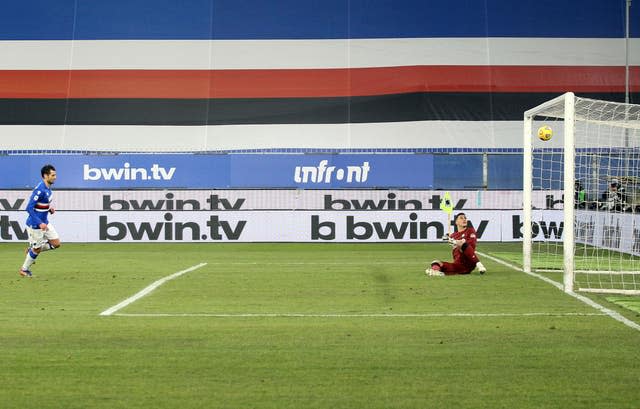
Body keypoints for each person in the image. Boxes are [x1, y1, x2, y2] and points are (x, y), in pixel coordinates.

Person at [18, 164, 61, 277]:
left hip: (45, 222)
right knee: (36, 250)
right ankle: (24, 269)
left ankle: (32, 249)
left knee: (56, 243)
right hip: (35, 225)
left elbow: (41, 205)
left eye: (55, 174)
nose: (55, 177)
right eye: (53, 175)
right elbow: (29, 208)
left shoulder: (47, 189)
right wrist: (39, 223)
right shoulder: (40, 190)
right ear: (45, 176)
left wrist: (49, 208)